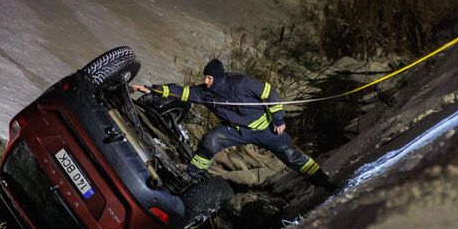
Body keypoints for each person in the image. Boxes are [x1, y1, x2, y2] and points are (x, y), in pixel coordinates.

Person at [132, 59, 338, 192]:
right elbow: (183, 92)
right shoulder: (205, 92)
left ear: (219, 77)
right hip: (235, 131)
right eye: (205, 77)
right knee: (210, 140)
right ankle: (193, 174)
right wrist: (152, 90)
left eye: (209, 77)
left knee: (292, 156)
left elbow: (270, 93)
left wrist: (278, 120)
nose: (205, 80)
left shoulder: (240, 83)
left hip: (265, 130)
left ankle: (322, 180)